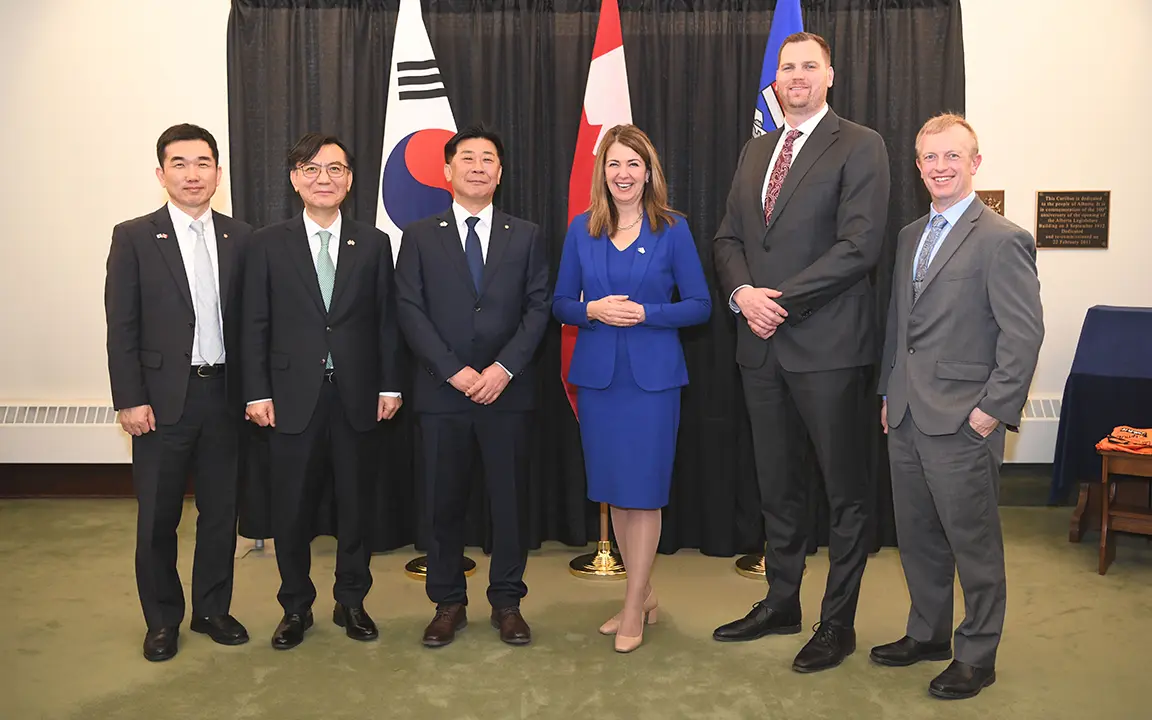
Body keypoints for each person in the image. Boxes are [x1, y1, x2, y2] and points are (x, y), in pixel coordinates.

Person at [710, 31, 891, 673]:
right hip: (759, 350)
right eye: (787, 68)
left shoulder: (861, 144)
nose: (796, 77)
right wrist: (740, 292)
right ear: (775, 79)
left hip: (828, 347)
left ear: (830, 75)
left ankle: (836, 623)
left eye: (808, 67)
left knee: (845, 496)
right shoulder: (757, 148)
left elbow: (859, 246)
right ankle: (781, 601)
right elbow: (728, 236)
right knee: (777, 487)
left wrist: (776, 298)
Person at [873, 114, 1043, 700]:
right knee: (917, 536)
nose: (940, 167)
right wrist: (889, 393)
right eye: (929, 158)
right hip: (908, 418)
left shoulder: (1003, 238)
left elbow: (1023, 336)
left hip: (966, 420)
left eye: (952, 156)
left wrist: (991, 410)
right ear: (917, 166)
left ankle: (978, 654)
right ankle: (927, 634)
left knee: (972, 542)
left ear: (975, 162)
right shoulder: (908, 235)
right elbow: (902, 324)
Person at [553, 124, 711, 653]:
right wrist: (590, 309)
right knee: (615, 493)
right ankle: (641, 594)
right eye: (614, 164)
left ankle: (632, 604)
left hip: (652, 382)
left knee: (643, 495)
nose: (623, 174)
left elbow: (700, 305)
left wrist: (648, 312)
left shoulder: (673, 230)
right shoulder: (582, 229)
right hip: (598, 382)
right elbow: (559, 303)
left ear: (649, 172)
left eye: (633, 164)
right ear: (603, 172)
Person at [242, 133, 402, 650]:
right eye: (311, 169)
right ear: (294, 179)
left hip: (357, 395)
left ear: (351, 179)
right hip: (289, 399)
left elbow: (387, 322)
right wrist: (256, 392)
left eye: (335, 169)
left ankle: (351, 601)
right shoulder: (267, 242)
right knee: (291, 509)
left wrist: (390, 384)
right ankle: (295, 607)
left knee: (357, 506)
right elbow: (254, 324)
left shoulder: (373, 242)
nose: (324, 179)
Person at [395, 125, 551, 648]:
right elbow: (409, 310)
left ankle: (507, 602)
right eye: (468, 158)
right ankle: (448, 603)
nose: (478, 166)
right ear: (447, 170)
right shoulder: (418, 235)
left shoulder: (525, 234)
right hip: (442, 393)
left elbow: (538, 309)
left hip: (507, 393)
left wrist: (502, 370)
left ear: (500, 173)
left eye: (489, 158)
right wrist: (453, 370)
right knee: (442, 503)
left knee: (509, 503)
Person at [105, 123, 251, 661]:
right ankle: (162, 619)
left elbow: (252, 324)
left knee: (220, 512)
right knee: (158, 517)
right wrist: (129, 398)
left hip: (226, 396)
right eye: (181, 163)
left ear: (218, 172)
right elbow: (121, 325)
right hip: (162, 401)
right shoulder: (135, 236)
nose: (193, 174)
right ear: (162, 173)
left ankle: (212, 608)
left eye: (204, 163)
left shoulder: (243, 237)